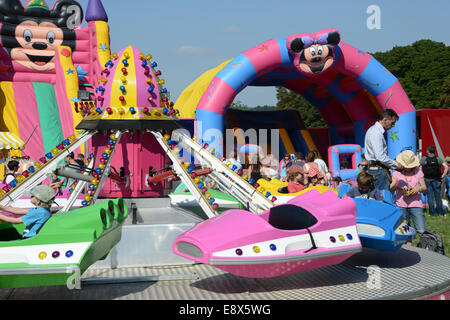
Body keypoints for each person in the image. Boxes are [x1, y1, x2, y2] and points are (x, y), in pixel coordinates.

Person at [390, 150, 427, 239]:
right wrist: (398, 185)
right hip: (401, 205)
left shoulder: (418, 173)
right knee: (404, 231)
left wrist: (418, 189)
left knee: (421, 230)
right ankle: (408, 247)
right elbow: (391, 188)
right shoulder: (396, 174)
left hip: (416, 205)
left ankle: (425, 247)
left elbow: (425, 189)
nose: (408, 168)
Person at [364, 109, 404, 190]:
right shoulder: (376, 133)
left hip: (375, 168)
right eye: (392, 123)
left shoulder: (373, 130)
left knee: (376, 198)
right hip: (377, 171)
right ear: (385, 120)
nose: (393, 125)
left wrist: (390, 165)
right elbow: (380, 157)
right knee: (382, 199)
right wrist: (396, 164)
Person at [420, 145, 449, 216]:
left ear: (428, 151)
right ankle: (441, 213)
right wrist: (443, 176)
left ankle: (432, 213)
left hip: (427, 180)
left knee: (430, 196)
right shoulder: (438, 159)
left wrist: (420, 176)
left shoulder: (424, 159)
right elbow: (446, 167)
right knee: (438, 196)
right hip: (437, 180)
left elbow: (417, 166)